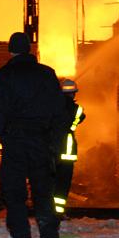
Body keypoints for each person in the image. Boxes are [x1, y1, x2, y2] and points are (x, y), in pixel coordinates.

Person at [0, 31, 65, 238]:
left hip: (15, 142)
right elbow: (59, 113)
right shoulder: (47, 74)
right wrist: (57, 145)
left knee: (14, 193)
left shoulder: (5, 74)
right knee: (43, 191)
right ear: (29, 49)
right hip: (41, 141)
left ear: (11, 50)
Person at [53, 78, 86, 217]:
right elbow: (80, 118)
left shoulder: (52, 107)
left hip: (52, 151)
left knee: (51, 181)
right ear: (74, 93)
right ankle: (59, 212)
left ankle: (49, 210)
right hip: (67, 151)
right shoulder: (77, 109)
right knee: (63, 183)